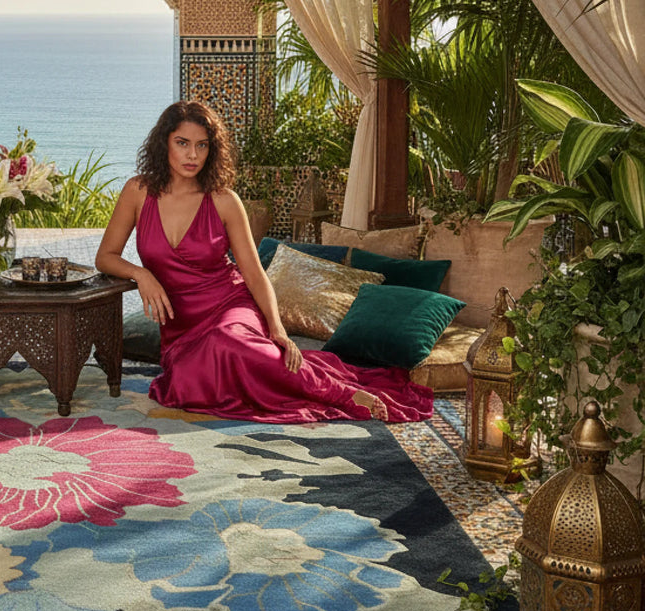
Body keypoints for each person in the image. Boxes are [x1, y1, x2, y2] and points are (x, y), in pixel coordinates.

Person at [94, 101, 434, 425]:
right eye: (182, 143)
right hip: (181, 328)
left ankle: (343, 393)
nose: (193, 155)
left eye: (202, 145)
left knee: (232, 345)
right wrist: (142, 275)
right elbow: (105, 256)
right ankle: (285, 369)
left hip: (229, 306)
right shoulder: (138, 192)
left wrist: (276, 328)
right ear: (163, 143)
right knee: (186, 383)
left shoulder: (225, 200)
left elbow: (254, 273)